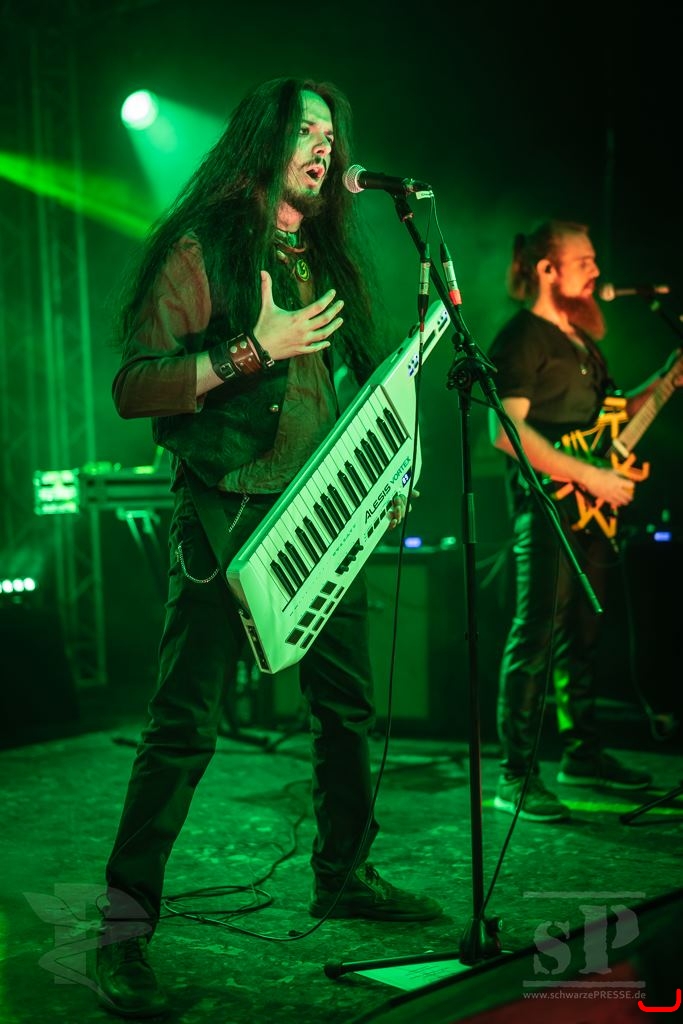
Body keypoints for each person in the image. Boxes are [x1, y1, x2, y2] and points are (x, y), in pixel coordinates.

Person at [96, 76, 442, 1019]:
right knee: (183, 728)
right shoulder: (202, 243)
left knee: (348, 707)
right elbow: (134, 385)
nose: (324, 145)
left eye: (332, 131)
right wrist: (252, 350)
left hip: (318, 513)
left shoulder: (325, 251)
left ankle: (344, 874)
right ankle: (121, 933)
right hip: (227, 515)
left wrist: (382, 471)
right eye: (306, 129)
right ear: (264, 139)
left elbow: (353, 388)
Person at [487, 219, 682, 824]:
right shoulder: (523, 338)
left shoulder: (582, 342)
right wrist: (591, 477)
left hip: (593, 516)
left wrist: (670, 378)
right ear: (548, 269)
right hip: (548, 509)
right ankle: (516, 776)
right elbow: (505, 433)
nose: (597, 271)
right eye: (585, 261)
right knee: (537, 636)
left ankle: (583, 755)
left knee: (584, 636)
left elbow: (615, 424)